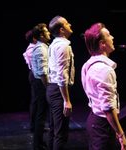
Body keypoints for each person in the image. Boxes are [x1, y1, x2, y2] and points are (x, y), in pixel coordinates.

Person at [81, 22, 126, 150]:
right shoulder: (104, 70)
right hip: (102, 125)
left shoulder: (88, 64)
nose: (112, 37)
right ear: (102, 44)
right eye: (109, 35)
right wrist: (121, 136)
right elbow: (108, 108)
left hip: (95, 121)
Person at [46, 15, 75, 150]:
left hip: (53, 89)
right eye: (67, 23)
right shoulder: (63, 46)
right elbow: (62, 75)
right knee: (60, 134)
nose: (70, 24)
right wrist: (66, 100)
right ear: (62, 30)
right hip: (58, 91)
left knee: (54, 130)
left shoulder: (54, 44)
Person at [31, 23, 51, 150]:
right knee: (41, 115)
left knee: (41, 114)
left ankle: (39, 143)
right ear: (41, 36)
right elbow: (43, 72)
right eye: (47, 32)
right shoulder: (40, 49)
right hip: (41, 84)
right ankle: (38, 145)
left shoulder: (43, 46)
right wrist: (48, 87)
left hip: (40, 83)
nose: (49, 33)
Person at [22, 29, 37, 132]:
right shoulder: (32, 50)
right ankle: (33, 125)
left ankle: (35, 124)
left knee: (36, 101)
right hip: (35, 75)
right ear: (34, 38)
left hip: (35, 75)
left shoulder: (34, 48)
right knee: (35, 101)